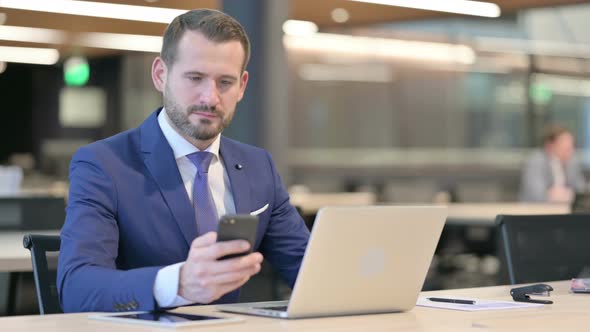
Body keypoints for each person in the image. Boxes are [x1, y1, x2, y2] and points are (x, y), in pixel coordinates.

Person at [57, 9, 310, 313]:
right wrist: (178, 283)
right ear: (160, 75)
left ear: (242, 86)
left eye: (225, 82)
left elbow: (310, 269)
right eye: (195, 78)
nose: (210, 98)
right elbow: (77, 288)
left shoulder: (258, 166)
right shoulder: (103, 164)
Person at [519, 124, 586, 203]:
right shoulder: (536, 160)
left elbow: (581, 191)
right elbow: (537, 195)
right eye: (564, 146)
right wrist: (566, 194)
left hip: (564, 209)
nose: (570, 151)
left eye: (571, 147)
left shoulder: (572, 161)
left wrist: (563, 194)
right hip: (534, 210)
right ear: (549, 146)